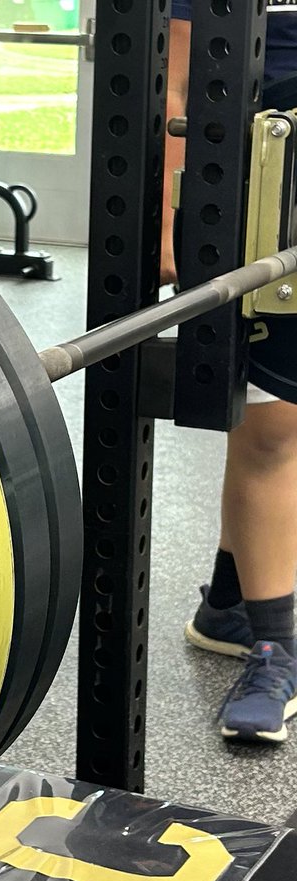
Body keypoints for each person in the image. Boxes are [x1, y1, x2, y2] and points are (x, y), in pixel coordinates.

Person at [166, 2, 297, 742]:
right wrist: (156, 225)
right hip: (254, 191)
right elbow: (176, 86)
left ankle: (230, 600)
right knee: (273, 424)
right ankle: (275, 646)